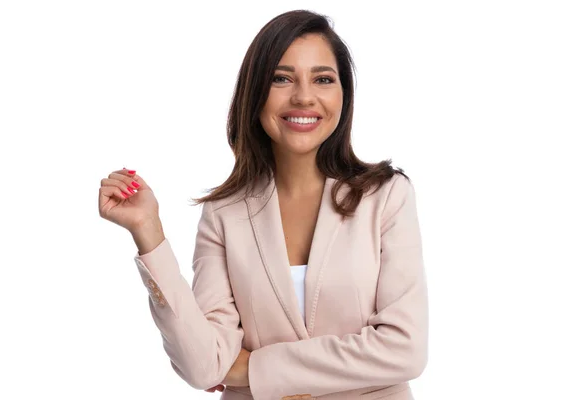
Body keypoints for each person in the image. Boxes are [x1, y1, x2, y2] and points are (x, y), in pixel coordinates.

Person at [98, 9, 428, 400]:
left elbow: (405, 349)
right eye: (281, 78)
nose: (304, 96)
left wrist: (254, 369)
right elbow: (204, 365)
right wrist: (148, 233)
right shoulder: (224, 213)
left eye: (323, 79)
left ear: (343, 95)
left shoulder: (386, 196)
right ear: (255, 94)